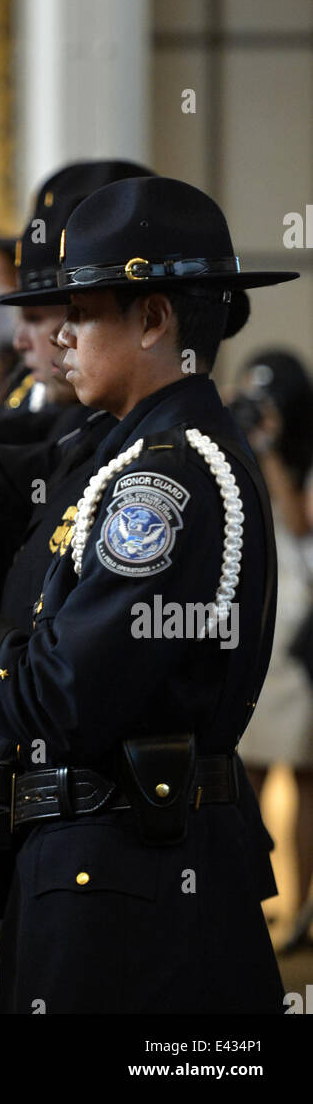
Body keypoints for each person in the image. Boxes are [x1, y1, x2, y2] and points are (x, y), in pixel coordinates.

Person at [0, 174, 296, 1014]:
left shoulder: (168, 480)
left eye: (80, 312)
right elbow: (82, 700)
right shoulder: (128, 451)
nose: (61, 336)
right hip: (106, 871)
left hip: (133, 886)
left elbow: (64, 693)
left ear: (153, 320)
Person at [232, 350, 313, 951]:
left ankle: (302, 909)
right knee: (247, 778)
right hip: (259, 624)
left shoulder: (302, 456)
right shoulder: (235, 450)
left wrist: (272, 451)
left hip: (303, 634)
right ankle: (244, 905)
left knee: (306, 779)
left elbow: (298, 521)